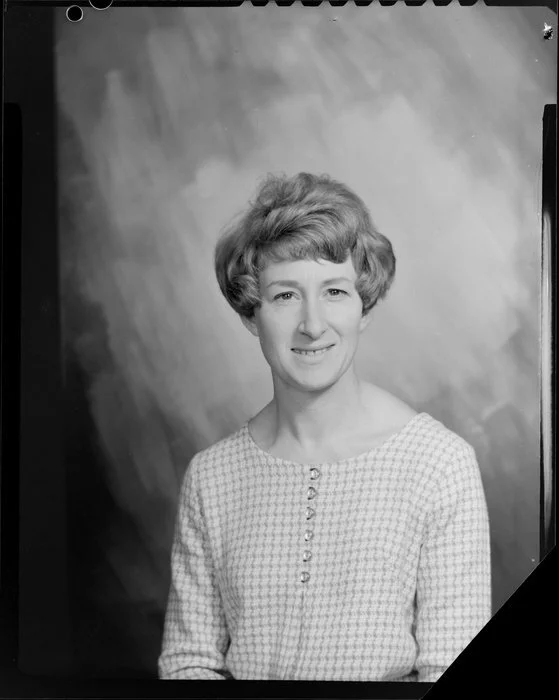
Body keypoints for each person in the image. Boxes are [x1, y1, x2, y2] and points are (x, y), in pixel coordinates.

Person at [158, 172, 491, 681]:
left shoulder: (439, 465)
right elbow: (189, 665)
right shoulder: (211, 477)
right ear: (252, 314)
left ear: (365, 306)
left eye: (334, 291)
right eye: (286, 296)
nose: (313, 324)